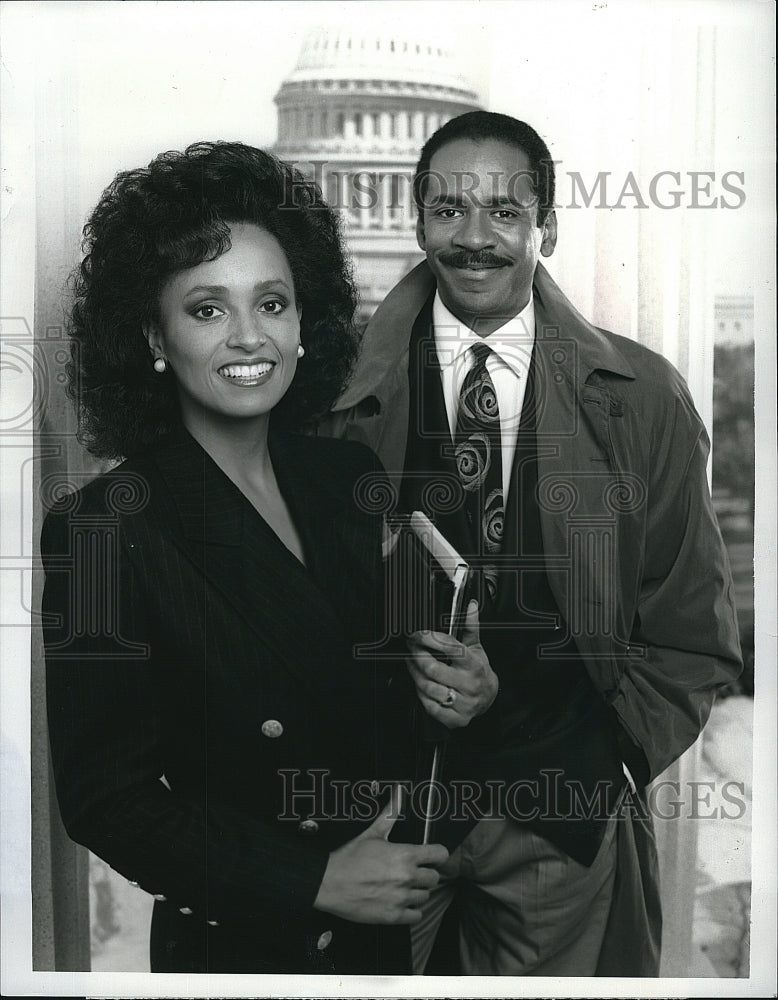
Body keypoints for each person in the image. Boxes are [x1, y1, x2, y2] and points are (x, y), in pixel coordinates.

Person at [317, 111, 742, 976]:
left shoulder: (648, 400)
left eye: (504, 212)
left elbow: (692, 636)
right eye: (448, 210)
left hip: (561, 820)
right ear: (417, 220)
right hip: (381, 822)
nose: (474, 239)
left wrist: (605, 768)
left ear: (546, 225)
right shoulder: (328, 402)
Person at [40, 141, 448, 975]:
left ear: (305, 323)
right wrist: (314, 878)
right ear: (154, 335)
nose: (249, 337)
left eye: (272, 302)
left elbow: (398, 694)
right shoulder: (102, 529)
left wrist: (460, 687)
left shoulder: (349, 478)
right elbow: (103, 803)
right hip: (247, 941)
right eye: (207, 310)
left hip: (395, 923)